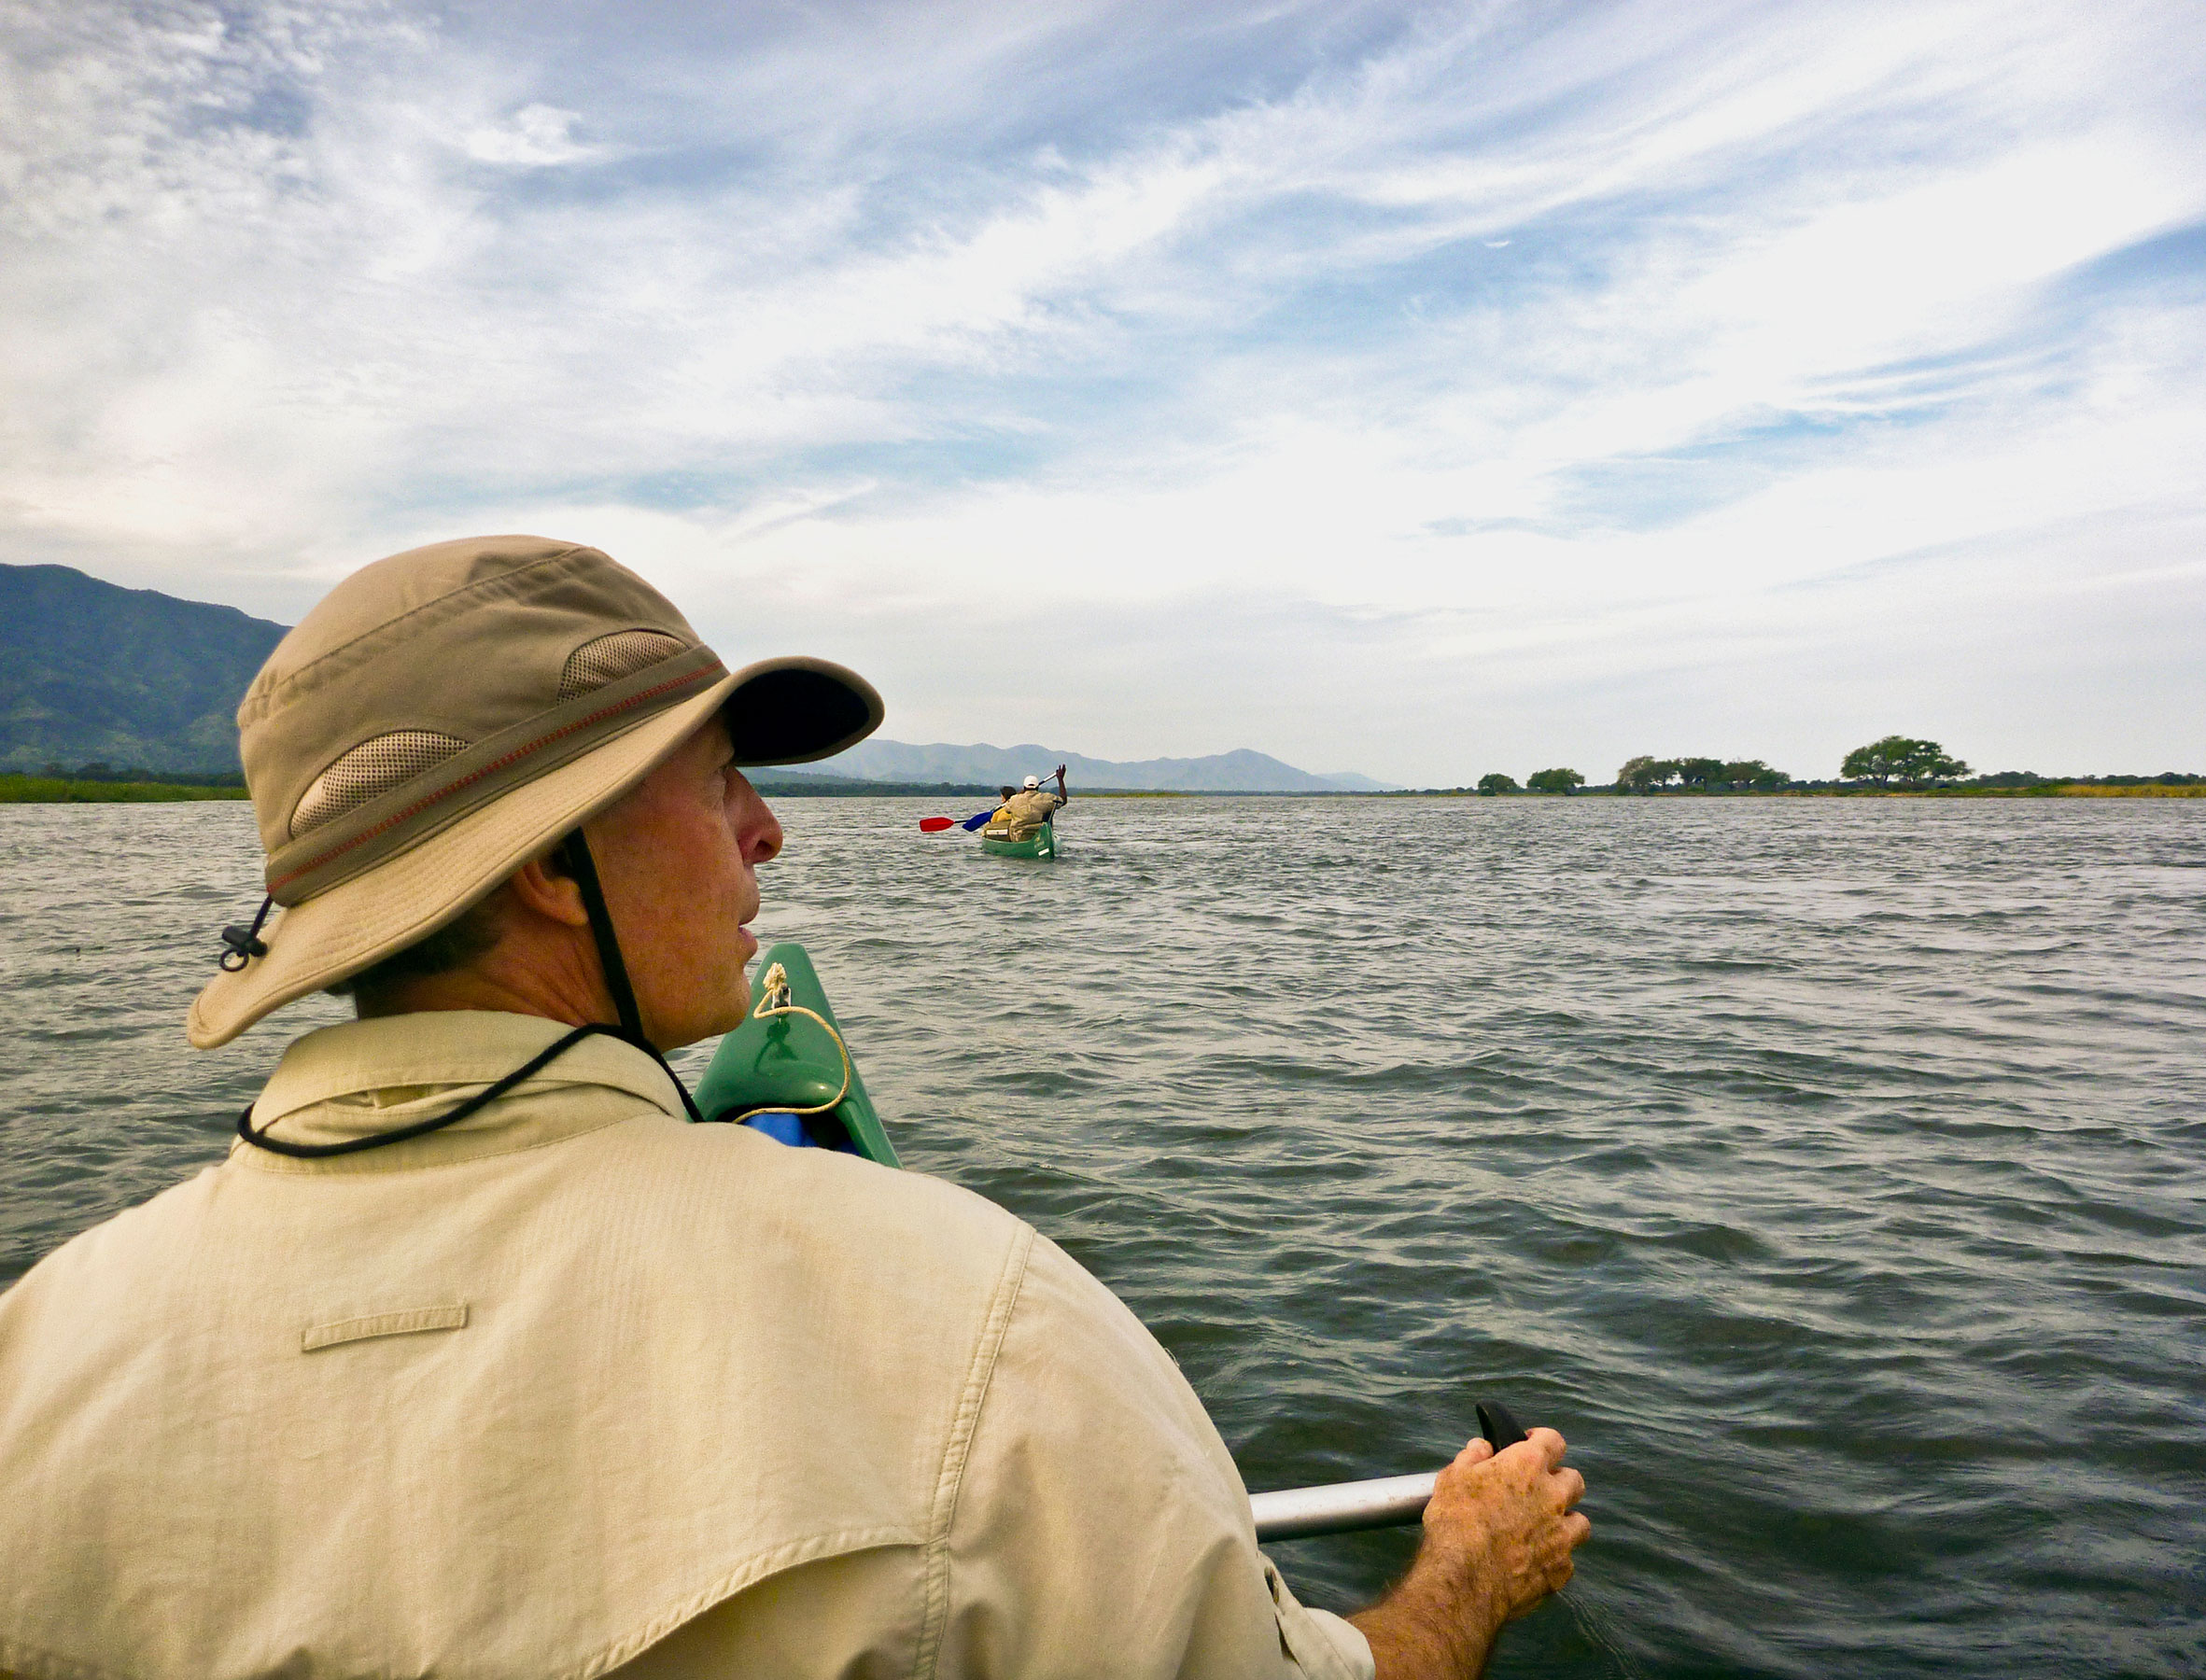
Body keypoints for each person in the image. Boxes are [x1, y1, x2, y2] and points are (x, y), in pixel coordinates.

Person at [0, 536, 1587, 1680]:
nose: (768, 834)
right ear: (552, 870)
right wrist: (1468, 1573)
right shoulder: (980, 1321)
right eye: (717, 784)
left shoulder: (41, 1347)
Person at [991, 768, 1065, 838]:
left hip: (1017, 837)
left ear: (1024, 787)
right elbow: (1063, 801)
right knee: (1049, 809)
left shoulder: (1014, 799)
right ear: (1037, 787)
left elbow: (1007, 809)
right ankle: (1047, 838)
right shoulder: (1046, 798)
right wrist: (1060, 780)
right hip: (1039, 835)